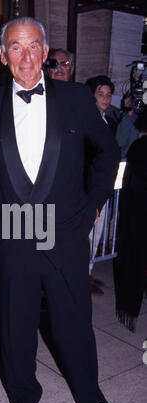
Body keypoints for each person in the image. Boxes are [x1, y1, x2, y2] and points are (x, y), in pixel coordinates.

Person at [0, 16, 126, 403]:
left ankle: (90, 393)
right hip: (11, 240)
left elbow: (108, 152)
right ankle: (23, 398)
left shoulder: (76, 97)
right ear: (3, 56)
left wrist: (94, 206)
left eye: (34, 45)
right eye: (16, 48)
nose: (27, 56)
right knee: (15, 325)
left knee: (74, 321)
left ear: (46, 50)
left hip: (66, 236)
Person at [114, 105, 147, 331]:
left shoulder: (139, 148)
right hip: (140, 215)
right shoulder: (139, 147)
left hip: (137, 219)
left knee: (134, 260)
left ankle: (129, 307)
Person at [85, 75, 118, 295]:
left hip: (103, 189)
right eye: (101, 94)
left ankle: (86, 274)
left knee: (96, 237)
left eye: (108, 95)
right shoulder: (86, 122)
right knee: (85, 237)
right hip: (88, 190)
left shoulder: (110, 121)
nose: (105, 99)